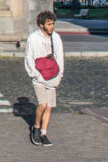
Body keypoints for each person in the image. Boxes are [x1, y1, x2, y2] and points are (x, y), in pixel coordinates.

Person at [24, 9, 64, 148]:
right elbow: (29, 57)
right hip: (39, 76)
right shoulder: (33, 38)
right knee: (43, 104)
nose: (52, 26)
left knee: (49, 106)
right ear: (41, 25)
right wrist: (35, 74)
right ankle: (36, 127)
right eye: (49, 24)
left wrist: (59, 75)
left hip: (52, 76)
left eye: (53, 24)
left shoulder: (56, 38)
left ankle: (43, 133)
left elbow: (60, 57)